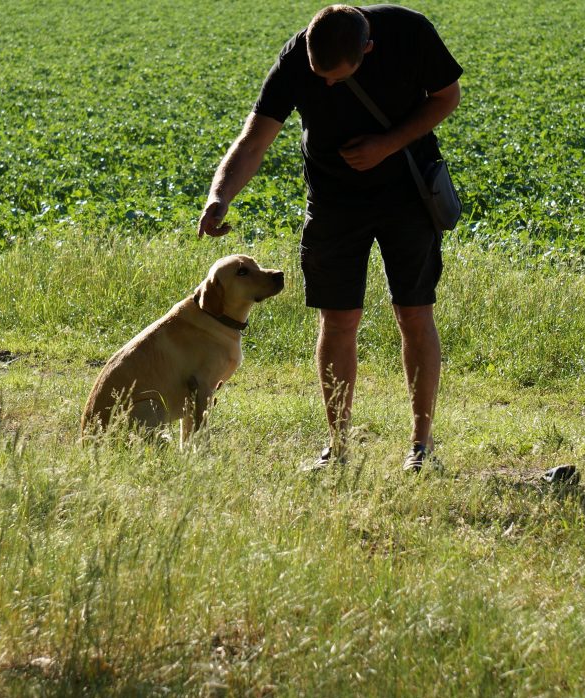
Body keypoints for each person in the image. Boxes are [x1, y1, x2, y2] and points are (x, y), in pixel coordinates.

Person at [197, 4, 462, 473]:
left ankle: (421, 448)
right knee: (338, 321)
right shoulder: (297, 57)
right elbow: (254, 140)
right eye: (320, 75)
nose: (326, 85)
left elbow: (446, 97)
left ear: (369, 47)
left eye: (337, 77)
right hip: (334, 203)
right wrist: (220, 197)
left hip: (408, 194)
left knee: (414, 315)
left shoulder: (410, 32)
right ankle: (337, 449)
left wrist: (386, 144)